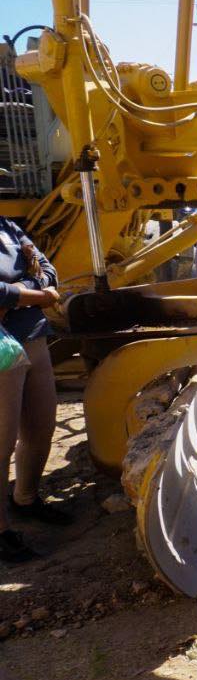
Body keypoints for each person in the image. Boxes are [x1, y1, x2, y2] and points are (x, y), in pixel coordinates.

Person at [0, 217, 68, 564]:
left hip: (32, 337)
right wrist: (39, 295)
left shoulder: (8, 226)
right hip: (1, 347)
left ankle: (25, 498)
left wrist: (21, 293)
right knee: (2, 440)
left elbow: (47, 269)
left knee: (41, 427)